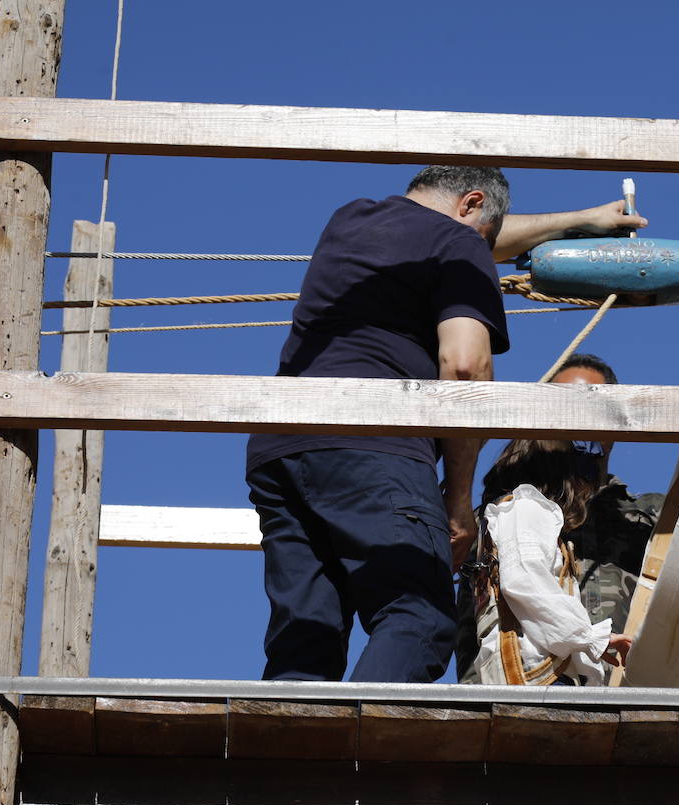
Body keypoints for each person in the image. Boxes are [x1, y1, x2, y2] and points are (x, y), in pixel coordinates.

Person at [245, 168, 647, 683]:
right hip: (375, 444)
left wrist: (582, 221)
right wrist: (458, 502)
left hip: (280, 447)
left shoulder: (353, 221)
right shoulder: (460, 241)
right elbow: (463, 368)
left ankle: (287, 752)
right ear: (469, 204)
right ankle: (350, 756)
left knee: (307, 636)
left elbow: (476, 233)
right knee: (419, 621)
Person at [455, 353, 664, 683]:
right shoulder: (506, 514)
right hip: (519, 693)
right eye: (562, 406)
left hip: (627, 698)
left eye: (589, 406)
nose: (575, 421)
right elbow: (522, 582)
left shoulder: (653, 519)